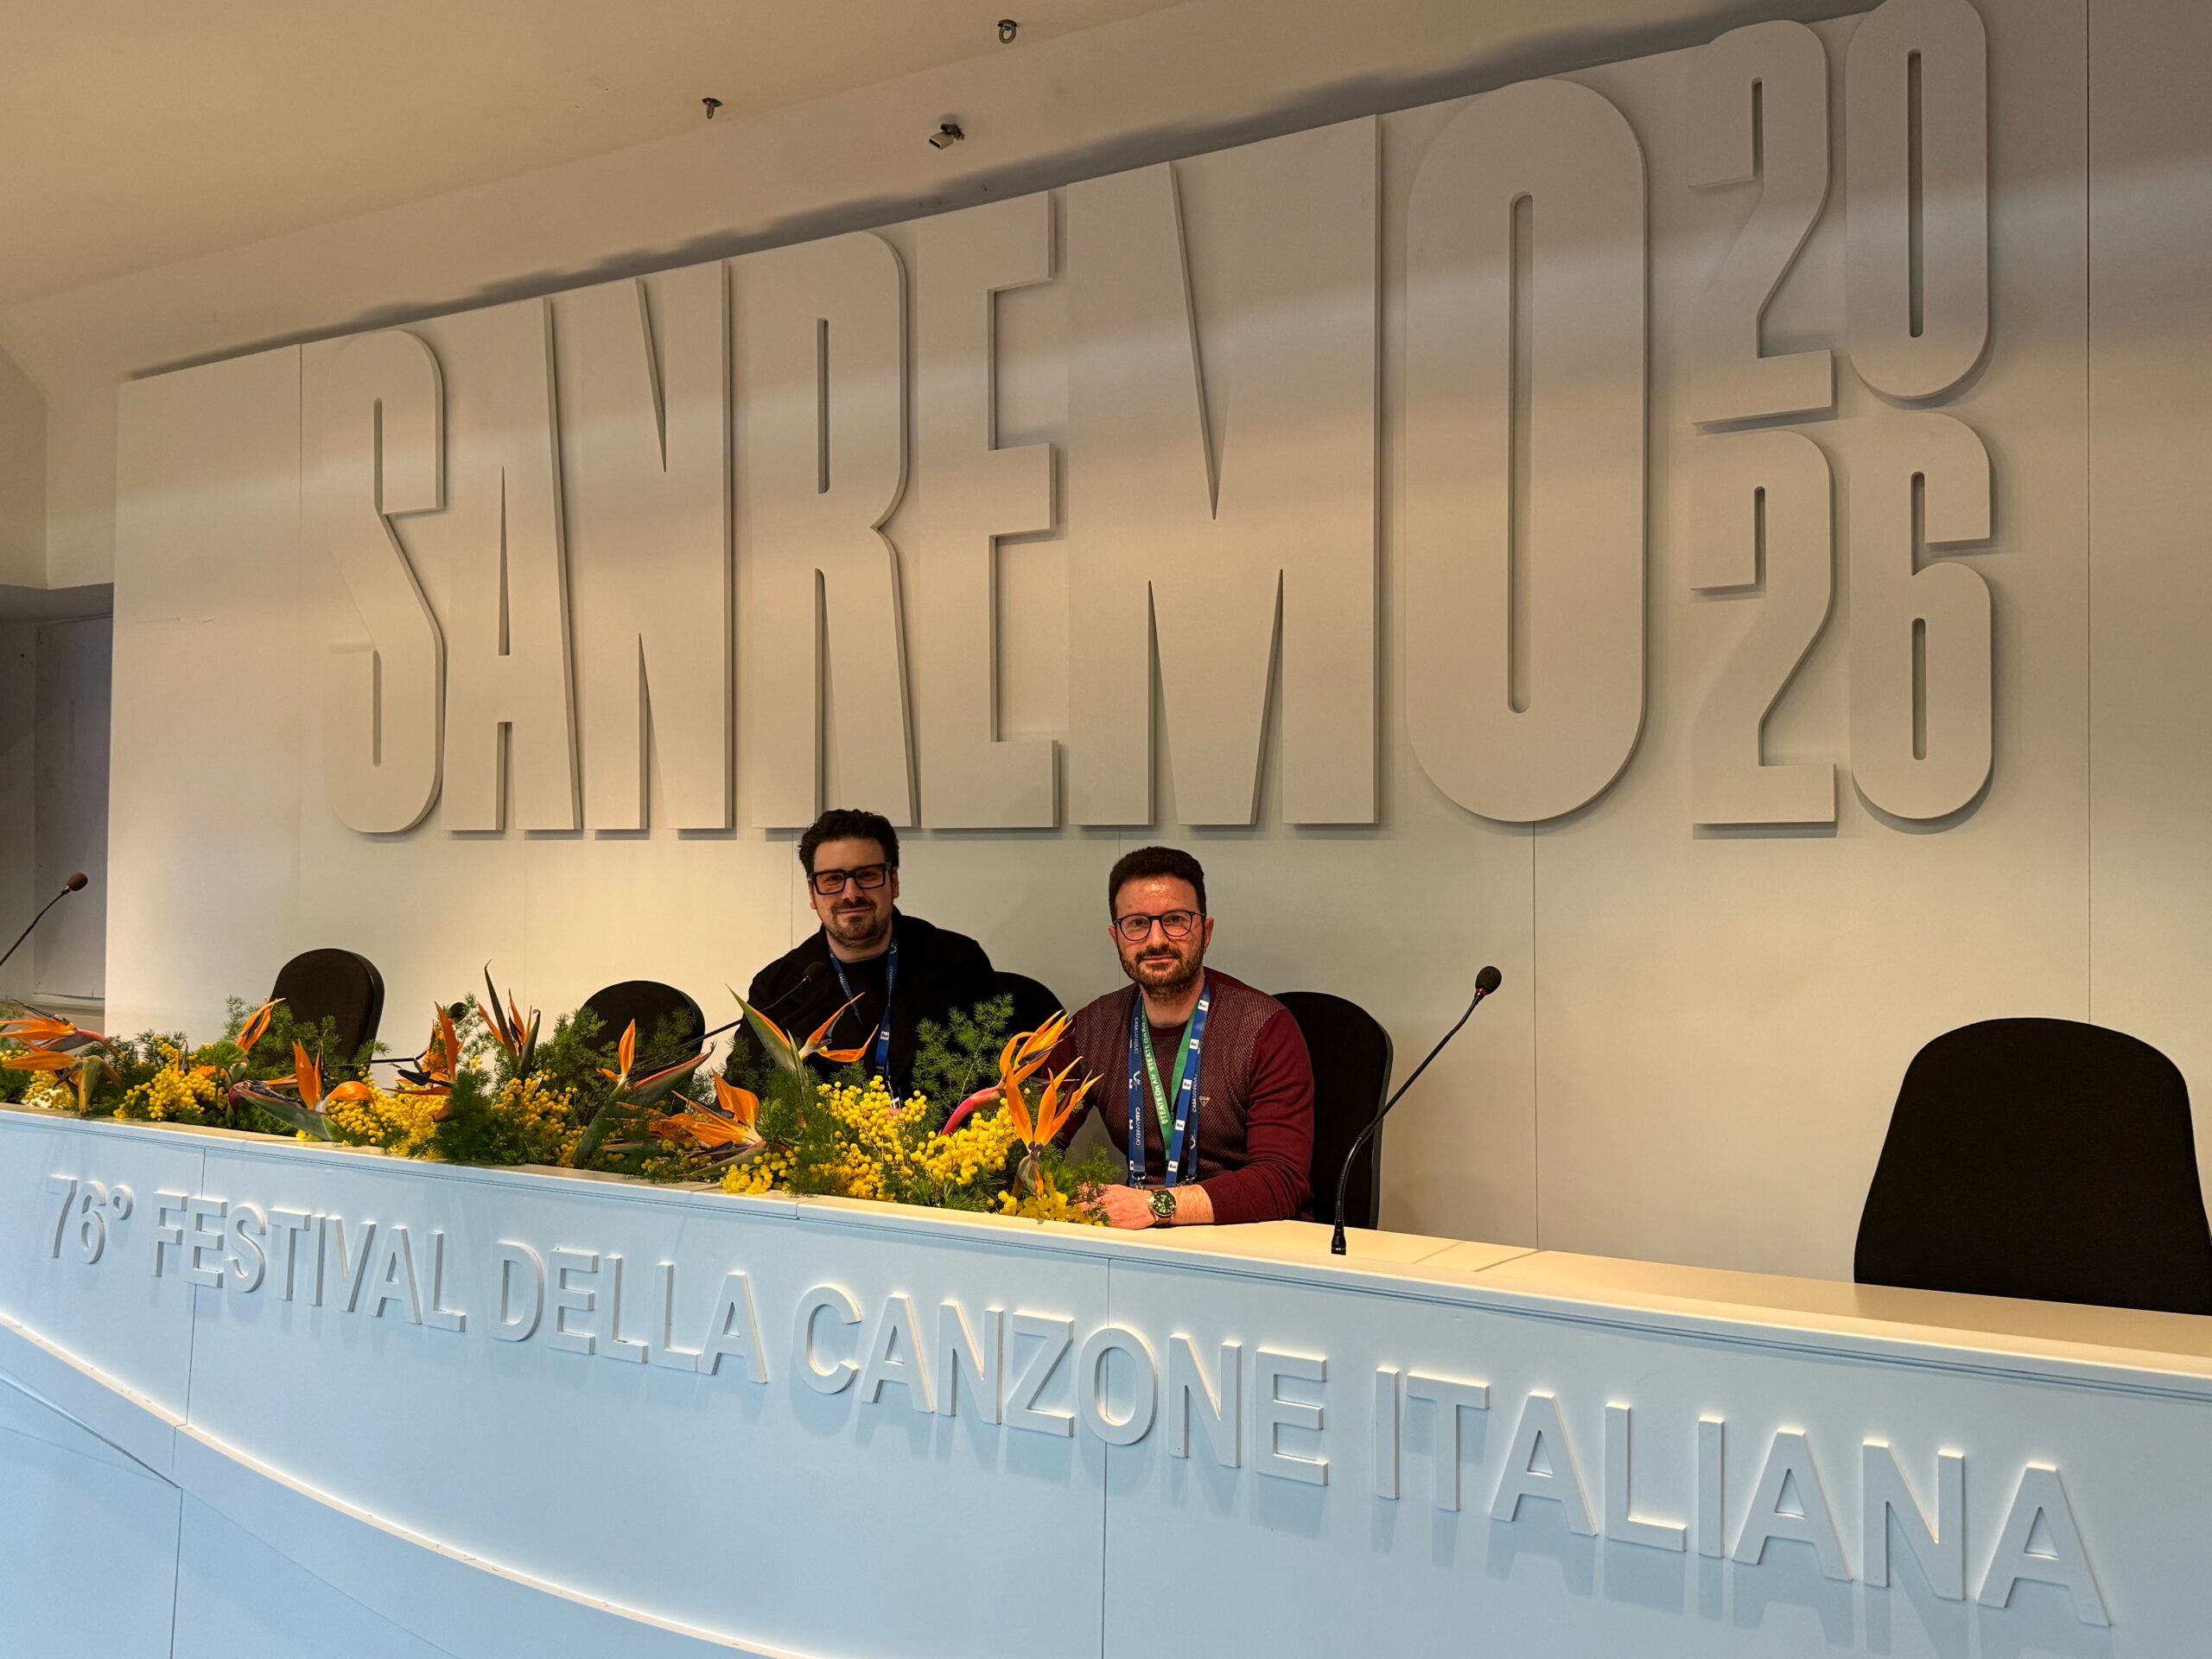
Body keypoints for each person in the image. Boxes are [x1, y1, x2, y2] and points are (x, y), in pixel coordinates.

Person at [1052, 846, 1314, 1228]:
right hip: (1137, 1240)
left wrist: (1155, 1206)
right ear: (1116, 937)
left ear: (1206, 932)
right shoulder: (1091, 1029)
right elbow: (1027, 1143)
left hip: (1247, 1239)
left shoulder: (1265, 1029)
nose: (1157, 940)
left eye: (1175, 920)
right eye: (1137, 923)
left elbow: (1282, 1182)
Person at [745, 809, 995, 1098]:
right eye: (832, 879)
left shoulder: (959, 963)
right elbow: (745, 1098)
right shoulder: (778, 988)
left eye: (867, 875)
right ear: (812, 894)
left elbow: (996, 1086)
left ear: (894, 882)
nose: (851, 894)